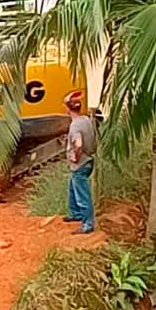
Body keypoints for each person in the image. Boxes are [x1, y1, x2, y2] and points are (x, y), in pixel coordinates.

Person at [65, 95, 97, 234]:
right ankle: (75, 213)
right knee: (72, 185)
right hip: (89, 160)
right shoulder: (86, 119)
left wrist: (75, 157)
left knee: (82, 194)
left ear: (67, 110)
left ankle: (87, 224)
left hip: (81, 164)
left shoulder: (75, 126)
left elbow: (78, 144)